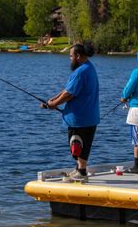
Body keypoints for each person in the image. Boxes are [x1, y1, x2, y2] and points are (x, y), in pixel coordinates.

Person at [41, 41, 100, 182]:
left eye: (71, 56)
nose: (70, 59)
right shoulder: (89, 68)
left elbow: (69, 94)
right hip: (90, 116)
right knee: (84, 144)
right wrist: (53, 100)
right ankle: (79, 169)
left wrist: (54, 104)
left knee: (77, 144)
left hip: (79, 117)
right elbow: (67, 89)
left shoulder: (80, 72)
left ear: (78, 56)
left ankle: (82, 172)